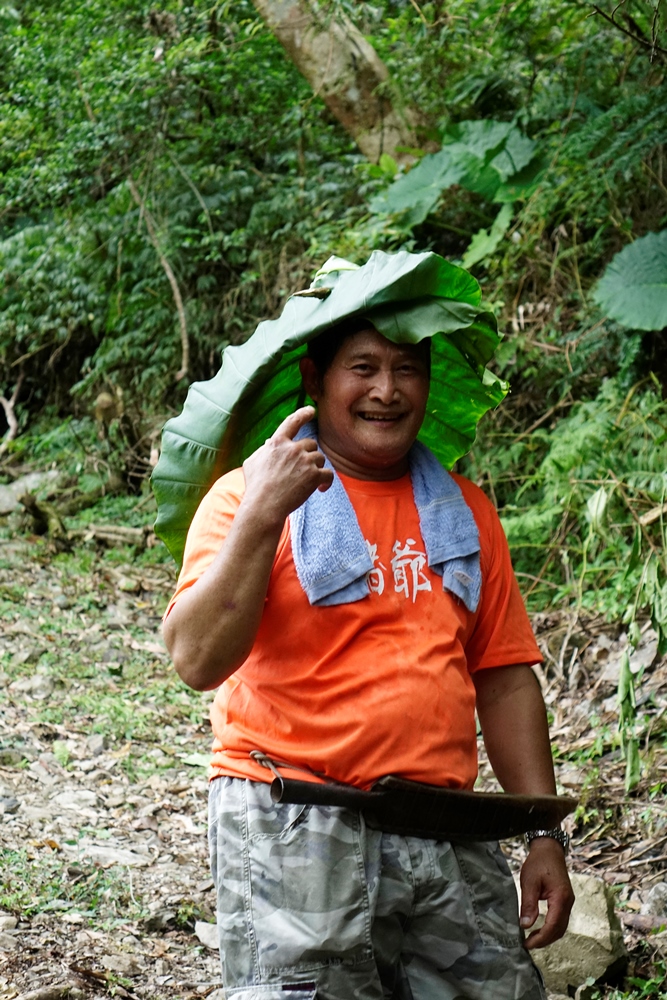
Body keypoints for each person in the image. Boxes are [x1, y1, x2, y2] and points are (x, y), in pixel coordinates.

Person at [163, 318, 574, 1000]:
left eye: (406, 368)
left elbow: (502, 678)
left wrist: (542, 833)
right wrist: (265, 513)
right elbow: (196, 659)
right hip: (294, 818)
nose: (385, 390)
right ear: (313, 380)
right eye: (361, 367)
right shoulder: (244, 497)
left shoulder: (464, 513)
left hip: (444, 825)